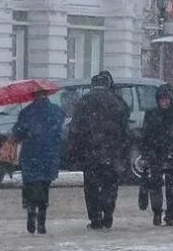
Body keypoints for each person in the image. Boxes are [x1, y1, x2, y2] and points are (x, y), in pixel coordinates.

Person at [69, 71, 131, 230]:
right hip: (112, 152)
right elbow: (125, 128)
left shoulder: (84, 101)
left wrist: (74, 150)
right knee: (110, 184)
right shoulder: (117, 101)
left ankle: (95, 218)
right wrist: (123, 150)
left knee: (91, 186)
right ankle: (108, 213)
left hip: (90, 152)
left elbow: (75, 129)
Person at [12, 88, 64, 235]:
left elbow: (18, 133)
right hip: (49, 154)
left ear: (33, 95)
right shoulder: (56, 111)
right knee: (44, 187)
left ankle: (30, 212)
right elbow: (58, 131)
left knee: (30, 185)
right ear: (47, 95)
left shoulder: (26, 112)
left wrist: (19, 127)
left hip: (30, 154)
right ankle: (41, 220)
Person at [141, 86, 173, 226]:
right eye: (162, 100)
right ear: (158, 100)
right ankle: (157, 212)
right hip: (156, 154)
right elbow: (145, 137)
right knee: (156, 184)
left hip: (172, 154)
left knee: (171, 186)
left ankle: (170, 215)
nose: (164, 102)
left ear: (171, 100)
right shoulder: (152, 115)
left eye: (167, 100)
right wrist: (145, 154)